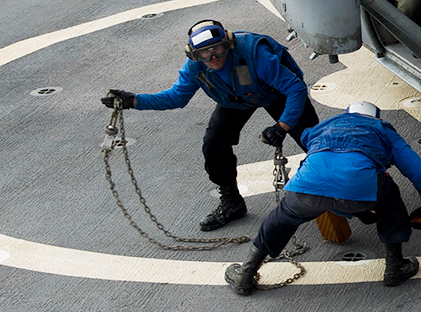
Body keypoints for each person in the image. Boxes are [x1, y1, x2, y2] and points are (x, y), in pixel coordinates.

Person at [100, 20, 320, 231]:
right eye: (204, 53)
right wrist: (134, 101)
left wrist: (283, 125)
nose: (213, 56)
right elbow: (177, 97)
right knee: (214, 143)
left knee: (315, 143)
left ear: (229, 45)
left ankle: (339, 191)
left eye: (218, 49)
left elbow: (295, 88)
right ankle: (232, 202)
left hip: (277, 93)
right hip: (234, 99)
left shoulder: (255, 54)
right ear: (195, 55)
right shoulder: (195, 67)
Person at [228, 101, 421, 295]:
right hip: (359, 187)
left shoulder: (325, 126)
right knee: (389, 196)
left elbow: (321, 161)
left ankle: (246, 274)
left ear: (346, 115)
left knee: (281, 218)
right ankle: (395, 266)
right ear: (376, 117)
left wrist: (350, 210)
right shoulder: (382, 128)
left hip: (309, 186)